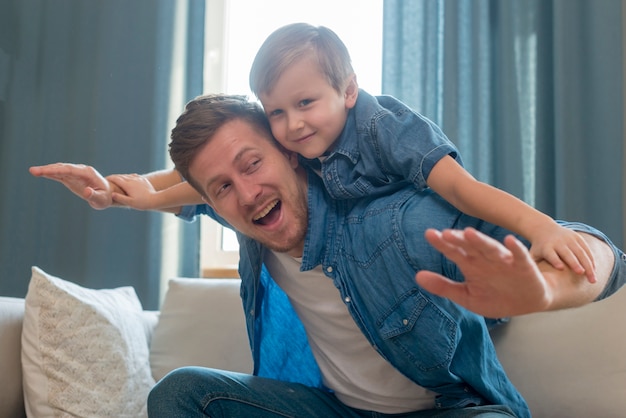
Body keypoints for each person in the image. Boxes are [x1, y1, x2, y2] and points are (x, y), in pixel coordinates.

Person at [31, 94, 626, 417]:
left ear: (292, 153)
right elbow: (180, 193)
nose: (244, 194)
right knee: (182, 393)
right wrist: (118, 194)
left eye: (252, 163)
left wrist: (544, 292)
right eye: (222, 189)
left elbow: (605, 256)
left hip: (451, 410)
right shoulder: (247, 214)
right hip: (334, 411)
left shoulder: (398, 222)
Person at [249, 22, 597, 283]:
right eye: (276, 112)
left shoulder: (387, 129)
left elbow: (462, 189)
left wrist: (542, 227)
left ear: (349, 90)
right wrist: (192, 194)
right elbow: (220, 176)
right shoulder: (298, 145)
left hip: (442, 243)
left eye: (305, 103)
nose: (292, 124)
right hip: (379, 270)